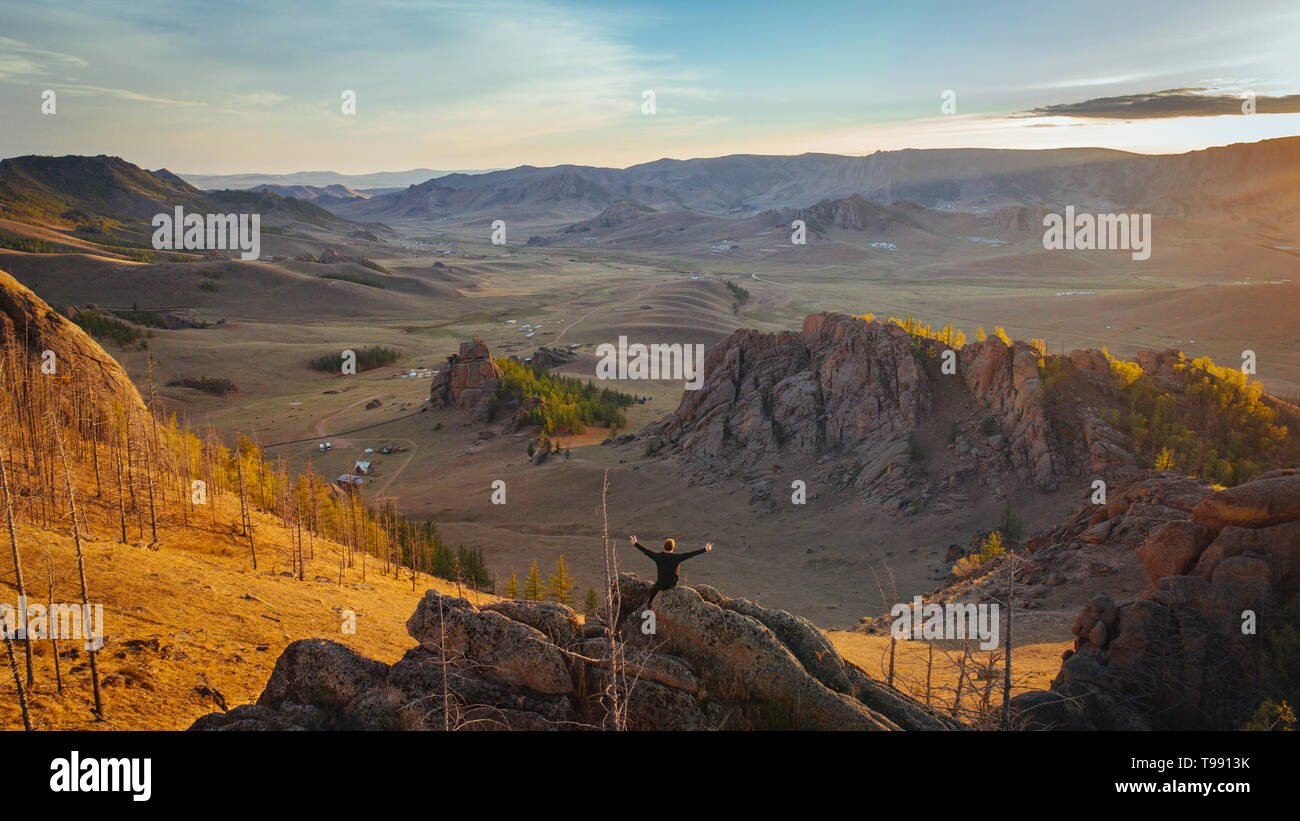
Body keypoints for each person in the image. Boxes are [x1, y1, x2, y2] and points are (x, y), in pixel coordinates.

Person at [628, 535, 712, 612]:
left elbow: (646, 551)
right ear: (673, 548)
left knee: (653, 590)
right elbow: (690, 554)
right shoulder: (676, 558)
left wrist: (635, 543)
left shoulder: (658, 557)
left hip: (661, 585)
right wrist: (705, 549)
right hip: (672, 585)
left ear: (664, 547)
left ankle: (649, 604)